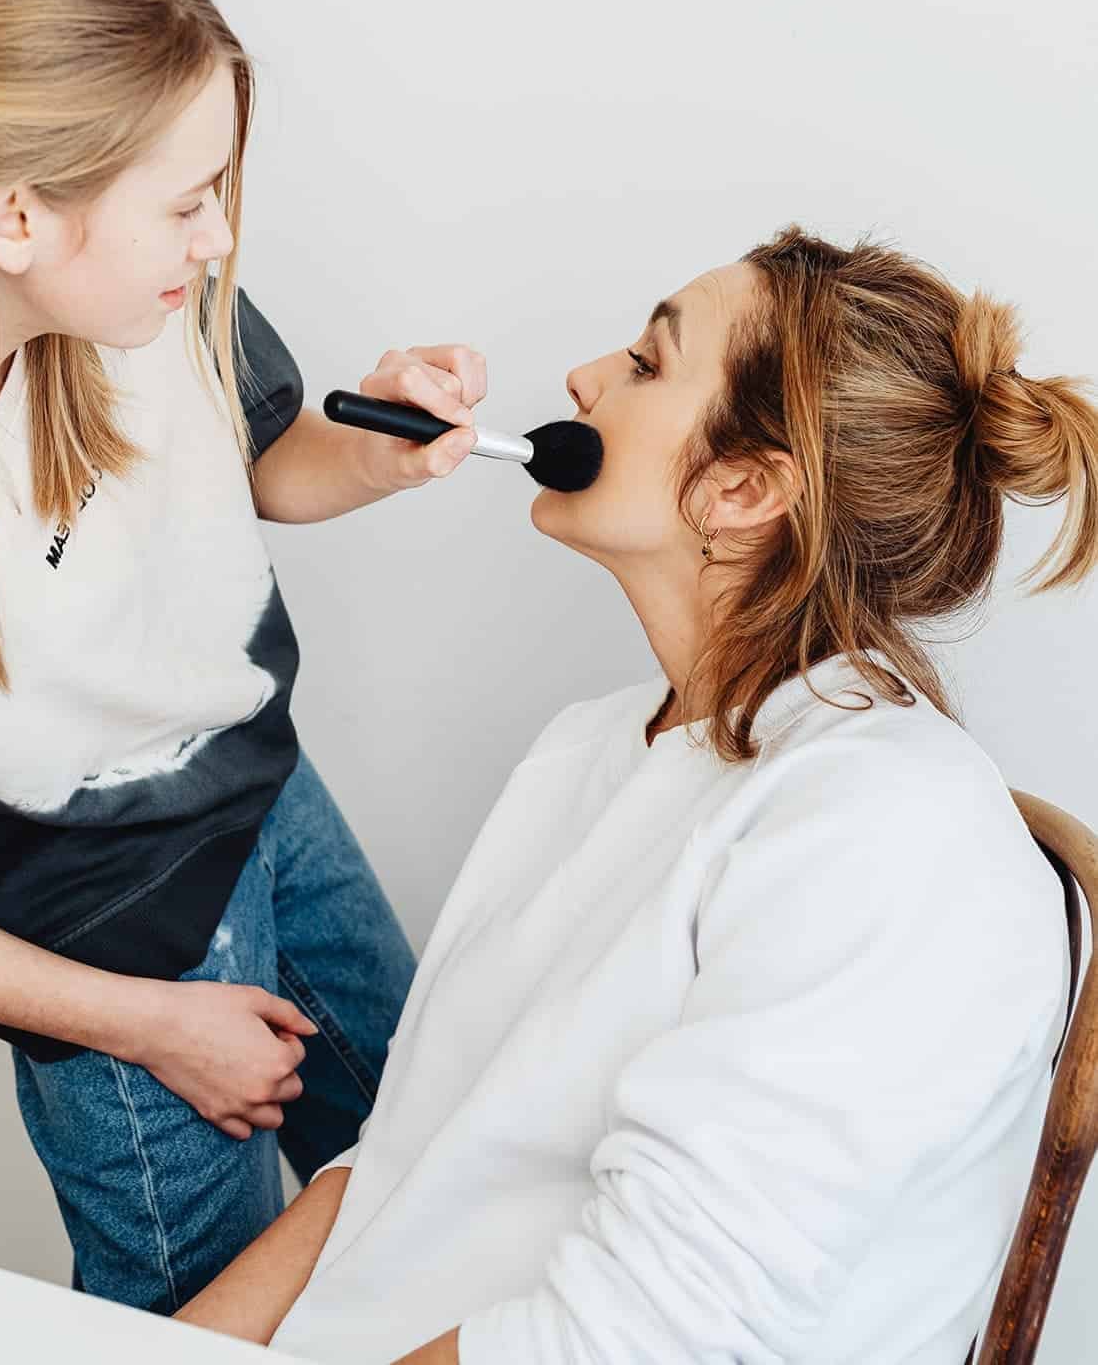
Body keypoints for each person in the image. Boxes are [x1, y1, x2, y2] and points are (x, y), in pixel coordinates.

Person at [175, 227, 1098, 1364]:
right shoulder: (598, 746)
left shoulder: (888, 836)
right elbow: (400, 1162)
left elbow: (641, 1336)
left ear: (744, 488)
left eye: (647, 364)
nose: (582, 379)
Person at [0, 0, 489, 1312]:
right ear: (11, 218)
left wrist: (370, 453)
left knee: (442, 1159)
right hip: (107, 950)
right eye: (186, 200)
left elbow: (250, 471)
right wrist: (156, 1026)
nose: (219, 232)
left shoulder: (139, 305)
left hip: (264, 798)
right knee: (203, 1311)